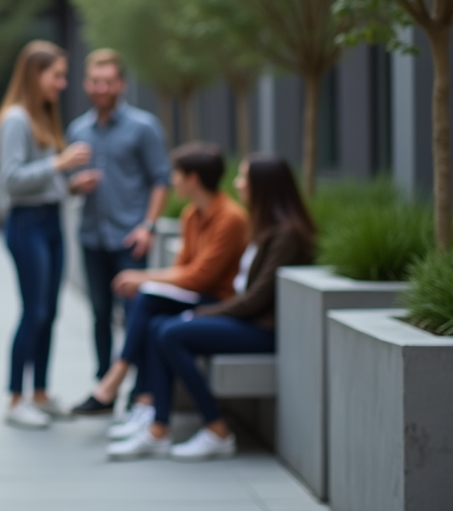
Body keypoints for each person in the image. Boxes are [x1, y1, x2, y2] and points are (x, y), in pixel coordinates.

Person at [107, 154, 315, 460]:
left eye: (243, 178)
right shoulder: (264, 228)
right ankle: (158, 428)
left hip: (261, 329)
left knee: (171, 332)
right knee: (157, 325)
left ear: (263, 186)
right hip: (246, 319)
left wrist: (200, 314)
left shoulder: (283, 235)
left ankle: (216, 429)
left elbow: (256, 299)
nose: (237, 183)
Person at [72, 142, 249, 425]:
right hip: (196, 295)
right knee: (150, 316)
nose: (172, 180)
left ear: (193, 179)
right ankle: (148, 406)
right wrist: (146, 281)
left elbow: (201, 277)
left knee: (146, 301)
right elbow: (184, 269)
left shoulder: (230, 218)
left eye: (176, 174)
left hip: (218, 302)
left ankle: (118, 379)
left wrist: (142, 277)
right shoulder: (191, 215)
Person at [0, 40, 92, 428]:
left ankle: (41, 394)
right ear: (36, 75)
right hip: (26, 224)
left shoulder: (43, 117)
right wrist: (59, 163)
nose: (63, 84)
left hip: (49, 220)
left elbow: (42, 180)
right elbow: (12, 181)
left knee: (50, 312)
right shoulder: (16, 119)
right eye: (57, 75)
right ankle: (16, 399)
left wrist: (71, 184)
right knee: (35, 312)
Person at [65, 49, 173, 414]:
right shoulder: (78, 130)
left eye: (108, 81)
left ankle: (141, 391)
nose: (101, 87)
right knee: (99, 314)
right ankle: (103, 387)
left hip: (131, 238)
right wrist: (77, 184)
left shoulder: (144, 127)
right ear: (86, 84)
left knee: (134, 315)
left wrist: (148, 226)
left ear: (121, 84)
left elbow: (161, 180)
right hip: (92, 236)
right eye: (95, 81)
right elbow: (68, 182)